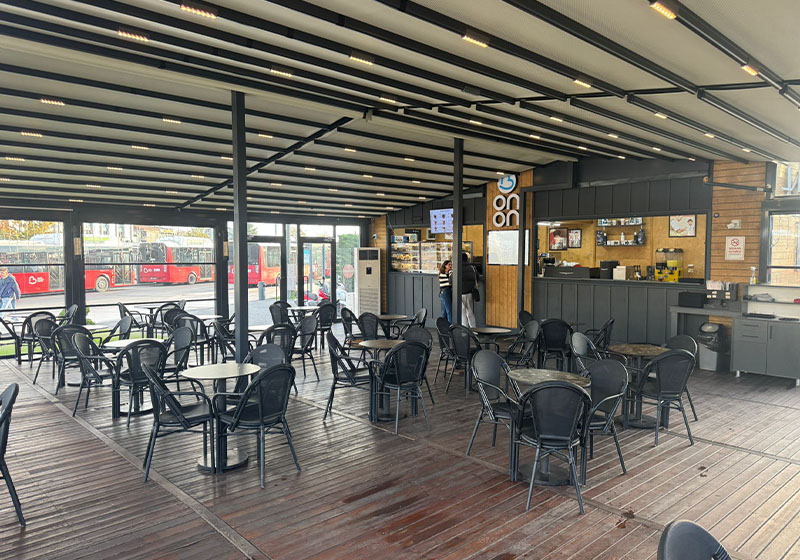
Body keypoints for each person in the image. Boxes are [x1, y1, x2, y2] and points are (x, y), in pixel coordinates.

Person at [460, 253, 478, 328]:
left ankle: (465, 329)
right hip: (470, 292)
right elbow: (477, 277)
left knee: (463, 313)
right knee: (470, 312)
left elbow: (451, 280)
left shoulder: (458, 268)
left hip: (461, 293)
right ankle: (473, 329)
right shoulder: (472, 268)